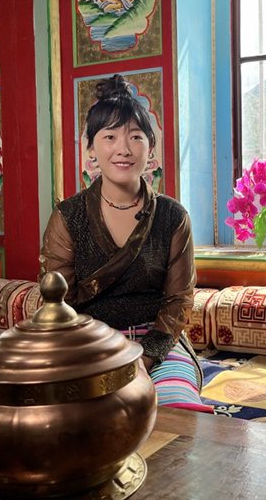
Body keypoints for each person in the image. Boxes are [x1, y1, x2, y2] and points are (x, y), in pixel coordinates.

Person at [39, 74, 211, 413]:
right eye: (110, 136)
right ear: (91, 148)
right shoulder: (68, 216)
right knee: (70, 416)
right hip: (88, 344)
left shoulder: (172, 216)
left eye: (135, 136)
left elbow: (178, 301)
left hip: (159, 345)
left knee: (176, 412)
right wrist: (95, 357)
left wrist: (143, 359)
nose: (124, 149)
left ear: (150, 146)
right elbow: (59, 302)